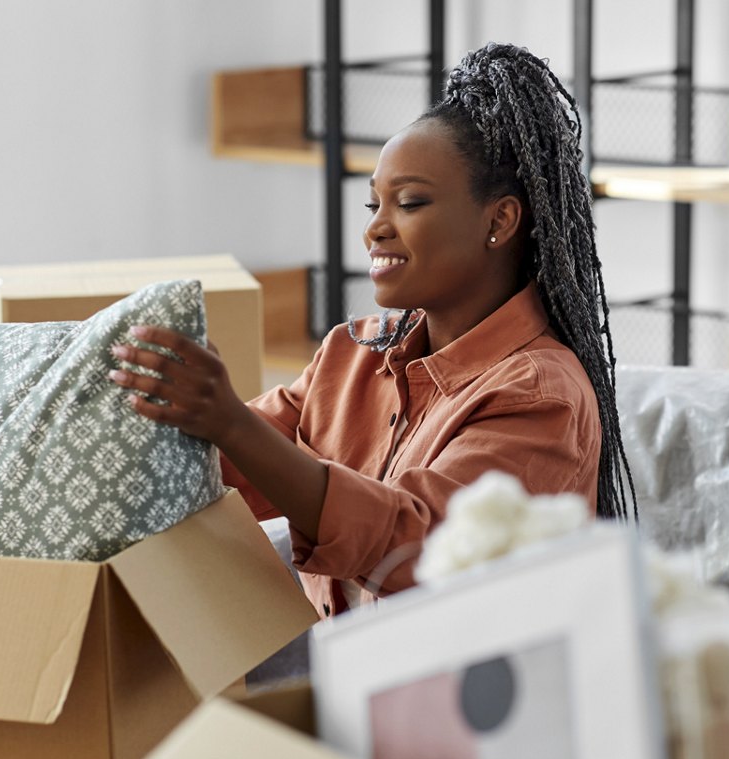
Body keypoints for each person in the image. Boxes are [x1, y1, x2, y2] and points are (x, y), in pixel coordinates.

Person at [107, 43, 636, 619]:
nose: (375, 230)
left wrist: (228, 421)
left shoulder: (540, 396)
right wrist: (170, 415)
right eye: (372, 204)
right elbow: (233, 467)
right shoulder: (352, 351)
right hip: (335, 662)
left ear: (499, 220)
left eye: (409, 202)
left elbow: (418, 549)